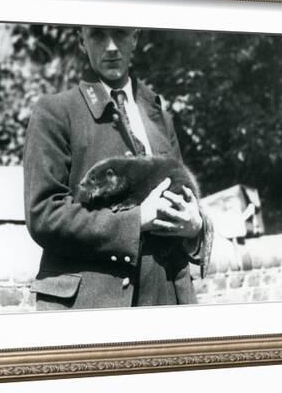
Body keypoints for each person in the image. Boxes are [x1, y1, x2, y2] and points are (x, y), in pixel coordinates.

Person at [23, 26, 213, 310]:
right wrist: (135, 221)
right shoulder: (56, 112)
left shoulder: (159, 116)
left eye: (121, 33)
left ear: (135, 38)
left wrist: (195, 227)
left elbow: (185, 194)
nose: (111, 46)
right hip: (91, 305)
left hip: (165, 300)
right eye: (98, 34)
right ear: (81, 41)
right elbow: (44, 215)